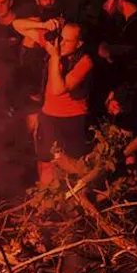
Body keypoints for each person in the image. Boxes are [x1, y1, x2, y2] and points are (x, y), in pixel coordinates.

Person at [35, 21, 94, 185]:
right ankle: (45, 202)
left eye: (68, 41)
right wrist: (45, 25)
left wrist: (54, 57)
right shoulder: (55, 47)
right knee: (47, 164)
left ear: (79, 43)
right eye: (61, 38)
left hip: (72, 120)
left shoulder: (85, 62)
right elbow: (18, 25)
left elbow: (58, 89)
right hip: (49, 117)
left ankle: (76, 203)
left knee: (73, 166)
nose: (61, 43)